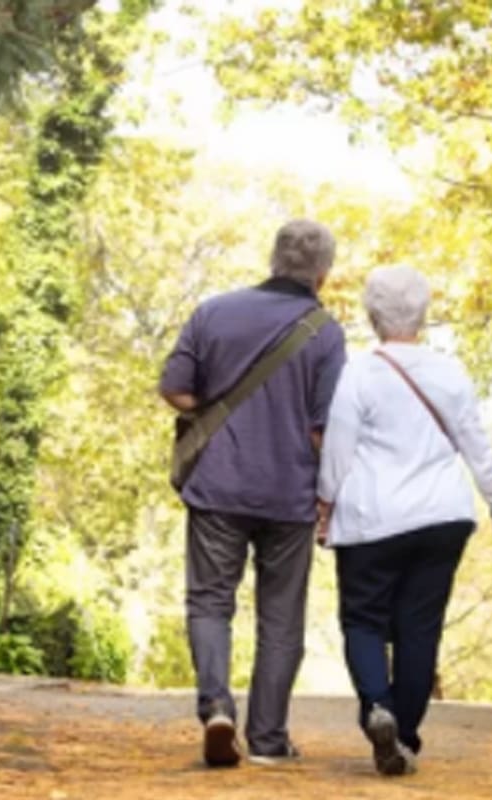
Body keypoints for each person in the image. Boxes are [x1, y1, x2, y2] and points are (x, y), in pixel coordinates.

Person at [316, 264, 492, 776]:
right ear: (423, 314)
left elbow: (338, 446)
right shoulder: (450, 372)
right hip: (442, 516)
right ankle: (402, 733)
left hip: (373, 518)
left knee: (363, 619)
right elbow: (476, 444)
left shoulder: (360, 372)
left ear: (372, 315)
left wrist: (325, 502)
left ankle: (377, 707)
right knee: (419, 627)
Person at [159, 219, 346, 768]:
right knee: (281, 619)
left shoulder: (213, 312)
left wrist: (216, 413)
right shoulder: (325, 332)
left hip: (218, 484)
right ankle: (268, 738)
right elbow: (324, 429)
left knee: (210, 602)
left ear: (272, 259)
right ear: (322, 275)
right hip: (290, 493)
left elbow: (174, 389)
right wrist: (329, 494)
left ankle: (217, 707)